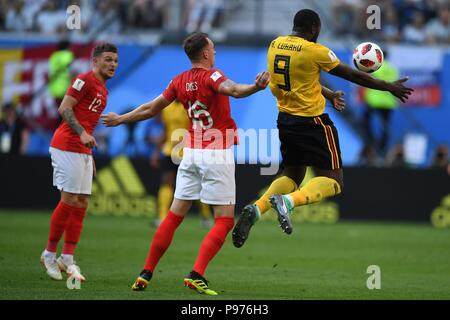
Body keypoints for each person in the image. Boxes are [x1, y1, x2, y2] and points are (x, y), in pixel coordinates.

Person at [101, 32, 270, 295]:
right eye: (212, 49)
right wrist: (256, 87)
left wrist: (120, 119)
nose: (214, 53)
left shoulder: (178, 80)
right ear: (205, 53)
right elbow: (235, 91)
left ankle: (145, 272)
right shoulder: (212, 76)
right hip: (216, 152)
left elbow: (151, 108)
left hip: (190, 153)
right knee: (224, 221)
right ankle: (196, 274)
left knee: (174, 216)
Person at [232, 9, 413, 248]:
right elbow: (352, 75)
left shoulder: (275, 44)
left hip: (285, 121)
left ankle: (256, 209)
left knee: (292, 175)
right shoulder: (316, 51)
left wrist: (328, 93)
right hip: (313, 124)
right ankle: (288, 202)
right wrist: (387, 86)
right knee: (333, 181)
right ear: (314, 29)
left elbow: (300, 78)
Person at [40, 43, 118, 282]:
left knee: (82, 202)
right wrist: (82, 134)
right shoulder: (83, 80)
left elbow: (88, 122)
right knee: (69, 199)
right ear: (95, 61)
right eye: (107, 60)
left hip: (82, 151)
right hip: (66, 145)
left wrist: (89, 154)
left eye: (115, 60)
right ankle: (49, 253)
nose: (112, 64)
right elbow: (65, 108)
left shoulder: (104, 91)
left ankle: (68, 257)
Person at [150, 100, 212, 228]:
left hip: (189, 151)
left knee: (197, 184)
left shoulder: (191, 108)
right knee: (167, 181)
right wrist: (156, 152)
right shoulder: (167, 108)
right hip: (170, 151)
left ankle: (205, 216)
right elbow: (166, 131)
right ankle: (162, 217)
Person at [363, 51, 399, 155]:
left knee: (366, 121)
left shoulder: (374, 67)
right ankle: (382, 147)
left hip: (374, 101)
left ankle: (371, 141)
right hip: (388, 102)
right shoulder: (393, 69)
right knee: (385, 126)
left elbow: (366, 80)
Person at [48, 39, 74, 108]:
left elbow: (50, 71)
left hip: (54, 87)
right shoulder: (68, 55)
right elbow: (71, 71)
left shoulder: (54, 56)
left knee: (58, 110)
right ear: (68, 46)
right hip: (65, 87)